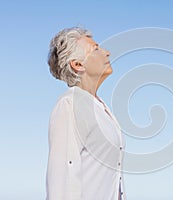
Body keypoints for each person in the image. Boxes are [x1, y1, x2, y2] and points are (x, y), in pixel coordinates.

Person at [46, 27, 126, 200]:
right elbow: (61, 179)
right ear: (78, 64)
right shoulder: (69, 105)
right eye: (96, 49)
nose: (107, 53)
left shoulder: (100, 107)